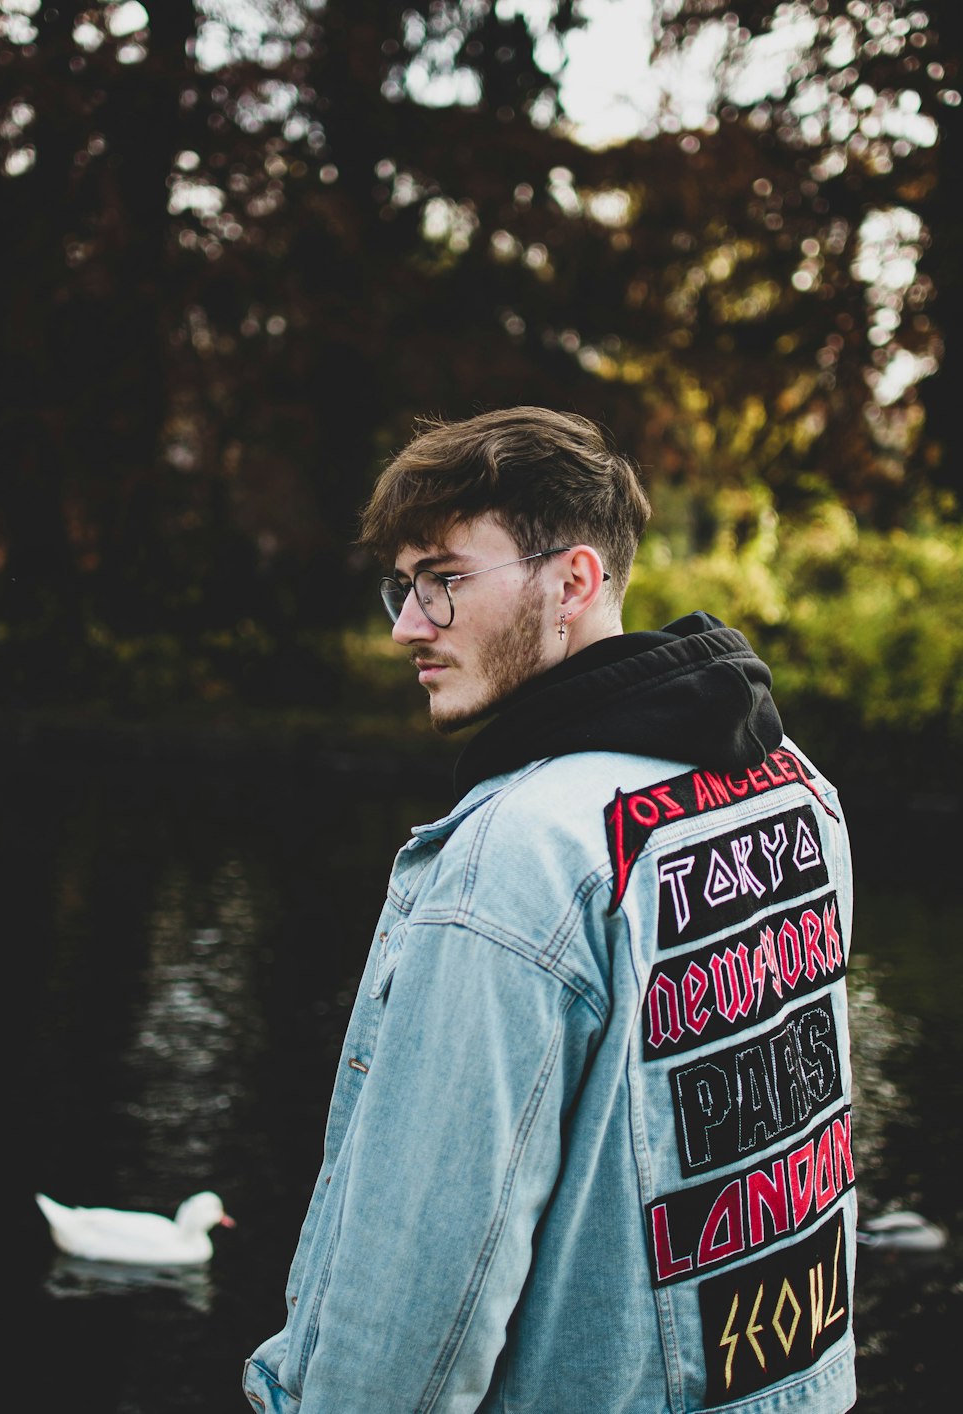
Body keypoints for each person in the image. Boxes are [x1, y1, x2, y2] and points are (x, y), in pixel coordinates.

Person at [242, 406, 856, 1414]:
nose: (405, 624)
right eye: (400, 586)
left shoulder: (518, 857)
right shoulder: (794, 786)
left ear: (572, 582)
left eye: (442, 580)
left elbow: (415, 1307)